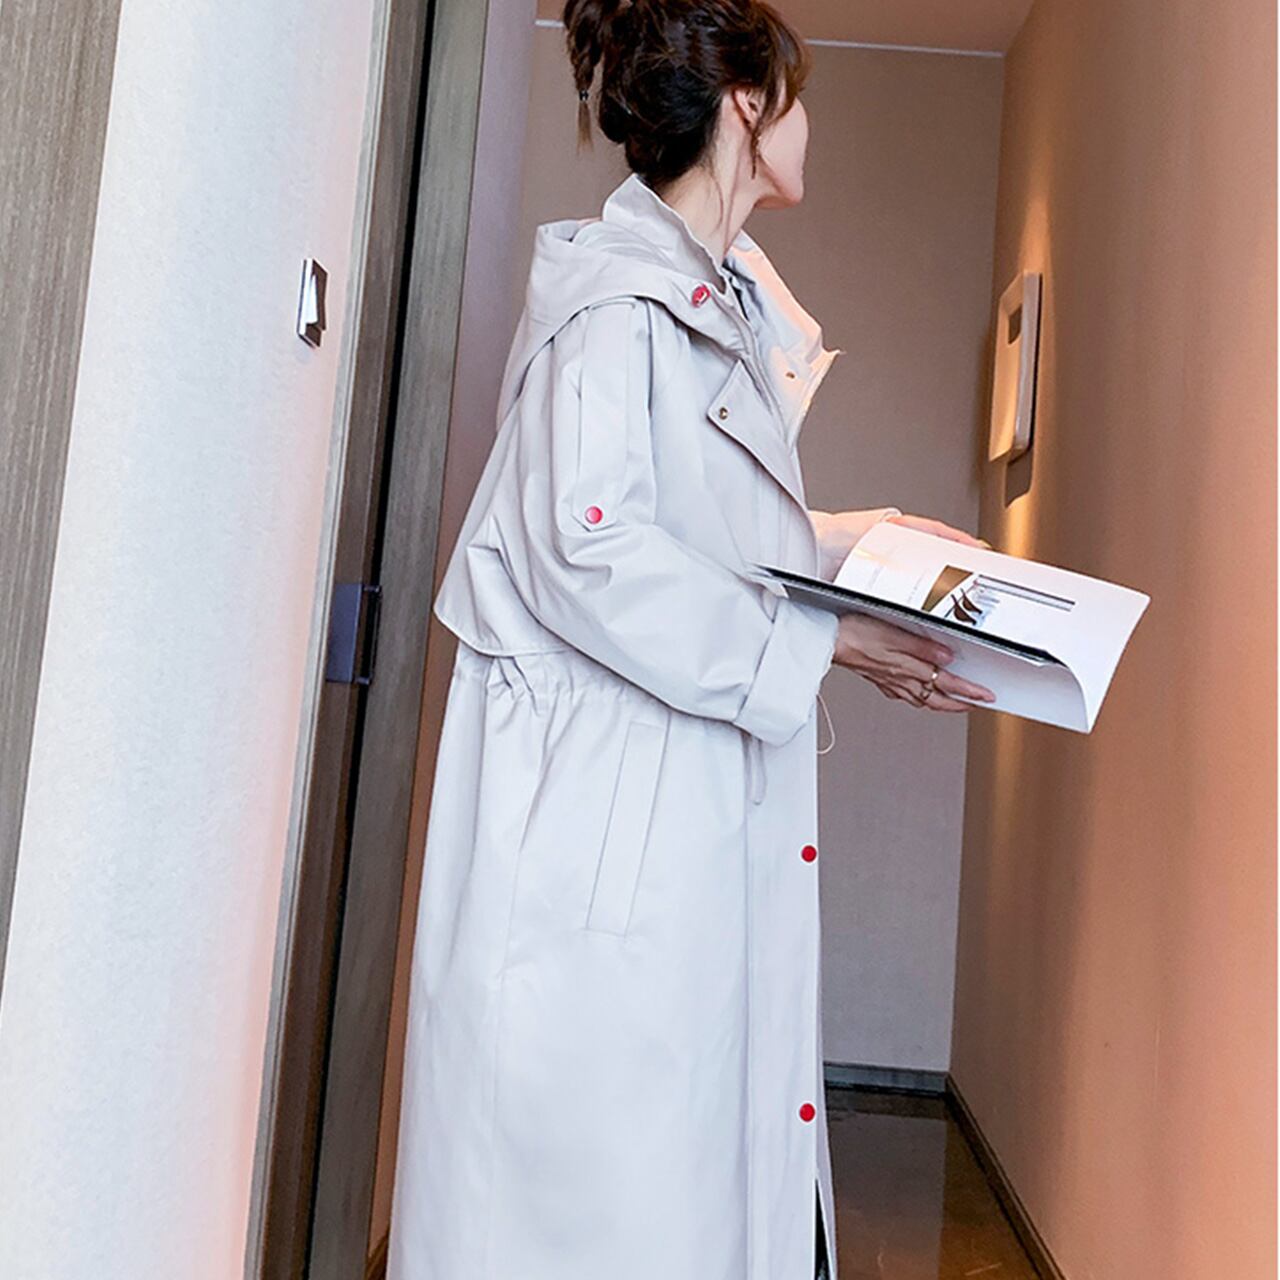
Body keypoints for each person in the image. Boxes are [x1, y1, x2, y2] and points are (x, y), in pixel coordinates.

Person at [385, 2, 997, 1277]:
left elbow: (699, 528)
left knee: (679, 1185)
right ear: (747, 104)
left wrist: (862, 546)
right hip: (608, 836)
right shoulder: (616, 305)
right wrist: (826, 641)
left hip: (668, 812)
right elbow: (590, 547)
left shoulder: (708, 299)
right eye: (797, 95)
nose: (808, 123)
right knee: (608, 1204)